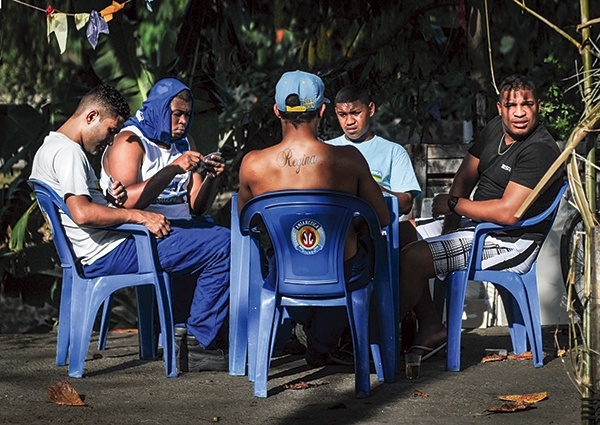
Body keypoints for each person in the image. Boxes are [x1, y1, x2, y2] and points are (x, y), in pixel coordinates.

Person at [30, 84, 230, 373]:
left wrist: (111, 200)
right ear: (91, 116)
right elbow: (83, 213)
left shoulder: (51, 147)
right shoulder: (69, 153)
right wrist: (139, 216)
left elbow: (86, 206)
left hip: (105, 246)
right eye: (111, 130)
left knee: (209, 238)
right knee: (223, 244)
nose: (111, 140)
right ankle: (197, 344)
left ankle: (183, 333)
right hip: (110, 251)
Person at [400, 74, 563, 361]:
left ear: (538, 106)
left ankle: (377, 336)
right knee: (400, 235)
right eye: (511, 105)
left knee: (412, 258)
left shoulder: (539, 149)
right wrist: (449, 223)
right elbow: (465, 175)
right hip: (475, 228)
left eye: (526, 104)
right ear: (500, 108)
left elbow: (508, 213)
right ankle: (431, 326)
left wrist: (454, 204)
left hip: (510, 241)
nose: (520, 112)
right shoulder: (494, 131)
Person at [237, 70, 390, 367]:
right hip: (342, 275)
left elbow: (249, 223)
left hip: (285, 274)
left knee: (276, 257)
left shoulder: (252, 165)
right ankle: (323, 341)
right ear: (322, 111)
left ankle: (313, 337)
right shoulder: (348, 160)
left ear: (276, 110)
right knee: (367, 253)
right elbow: (381, 218)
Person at [326, 85, 421, 216]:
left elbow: (405, 204)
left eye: (355, 113)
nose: (349, 121)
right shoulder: (325, 149)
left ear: (370, 109)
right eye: (342, 115)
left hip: (379, 231)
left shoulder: (394, 151)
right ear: (336, 112)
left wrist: (369, 189)